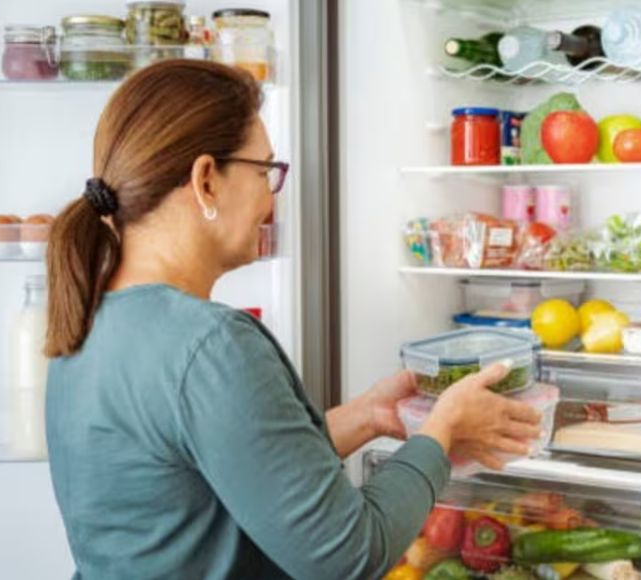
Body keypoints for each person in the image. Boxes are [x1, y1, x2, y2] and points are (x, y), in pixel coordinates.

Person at [43, 59, 542, 580]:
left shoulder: (87, 319)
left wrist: (366, 417)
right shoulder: (210, 345)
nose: (269, 198)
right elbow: (349, 553)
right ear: (206, 180)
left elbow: (231, 471)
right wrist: (441, 434)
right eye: (264, 172)